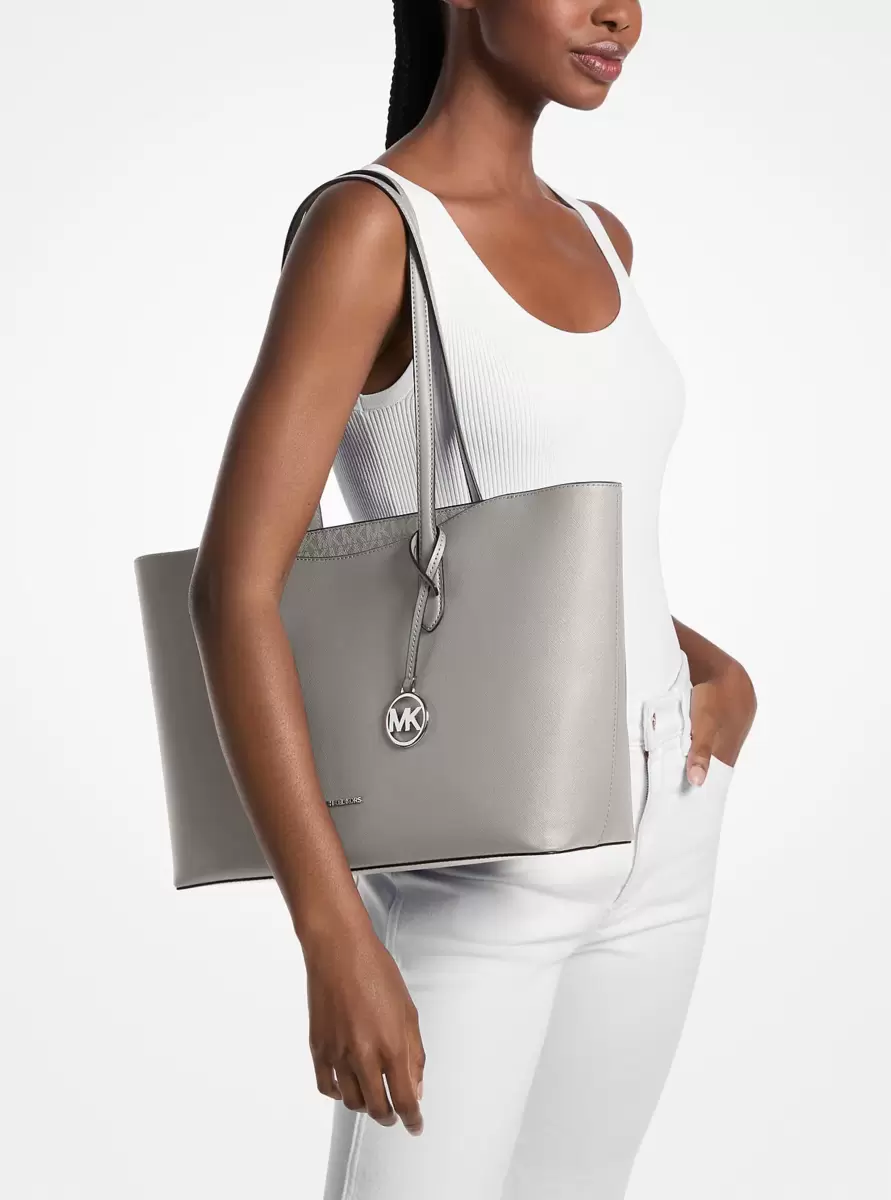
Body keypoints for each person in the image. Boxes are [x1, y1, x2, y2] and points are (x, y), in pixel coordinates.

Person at [188, 1, 758, 1196]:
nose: (622, 14)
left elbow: (567, 559)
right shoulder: (371, 231)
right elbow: (236, 589)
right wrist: (334, 935)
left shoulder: (602, 238)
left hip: (667, 827)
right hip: (481, 862)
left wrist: (720, 674)